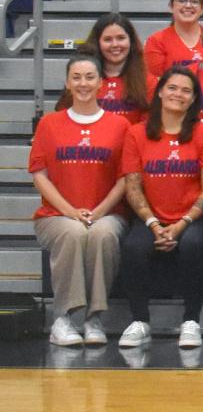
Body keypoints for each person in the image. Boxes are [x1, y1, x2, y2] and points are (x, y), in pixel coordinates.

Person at [33, 54, 132, 347]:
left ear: (101, 83)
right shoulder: (49, 124)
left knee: (102, 234)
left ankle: (93, 318)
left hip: (108, 213)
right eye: (76, 77)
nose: (83, 83)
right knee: (74, 232)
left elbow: (125, 178)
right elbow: (40, 175)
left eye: (90, 77)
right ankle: (62, 318)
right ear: (67, 83)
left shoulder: (120, 126)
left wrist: (99, 211)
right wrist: (70, 211)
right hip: (55, 215)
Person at [79, 13, 148, 120]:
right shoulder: (81, 79)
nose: (115, 44)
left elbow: (150, 125)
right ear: (97, 43)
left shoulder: (147, 81)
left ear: (131, 41)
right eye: (108, 39)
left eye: (121, 38)